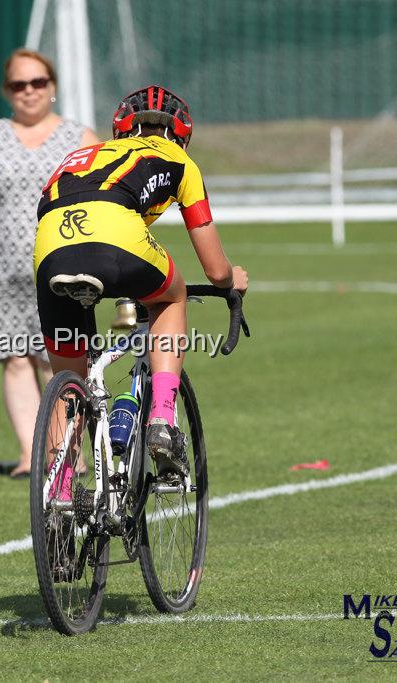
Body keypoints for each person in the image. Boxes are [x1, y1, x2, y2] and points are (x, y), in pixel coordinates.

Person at [33, 85, 248, 479]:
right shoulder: (181, 161)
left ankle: (59, 487)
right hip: (115, 237)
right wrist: (232, 279)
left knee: (71, 384)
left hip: (50, 249)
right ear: (182, 134)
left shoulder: (84, 153)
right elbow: (215, 270)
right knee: (171, 297)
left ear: (119, 129)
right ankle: (162, 421)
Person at [0, 48, 97, 478]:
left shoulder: (79, 138)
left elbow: (105, 199)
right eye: (19, 84)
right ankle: (33, 454)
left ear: (52, 88)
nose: (29, 91)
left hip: (62, 268)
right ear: (7, 91)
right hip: (1, 268)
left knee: (60, 360)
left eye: (37, 83)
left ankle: (68, 451)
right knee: (15, 358)